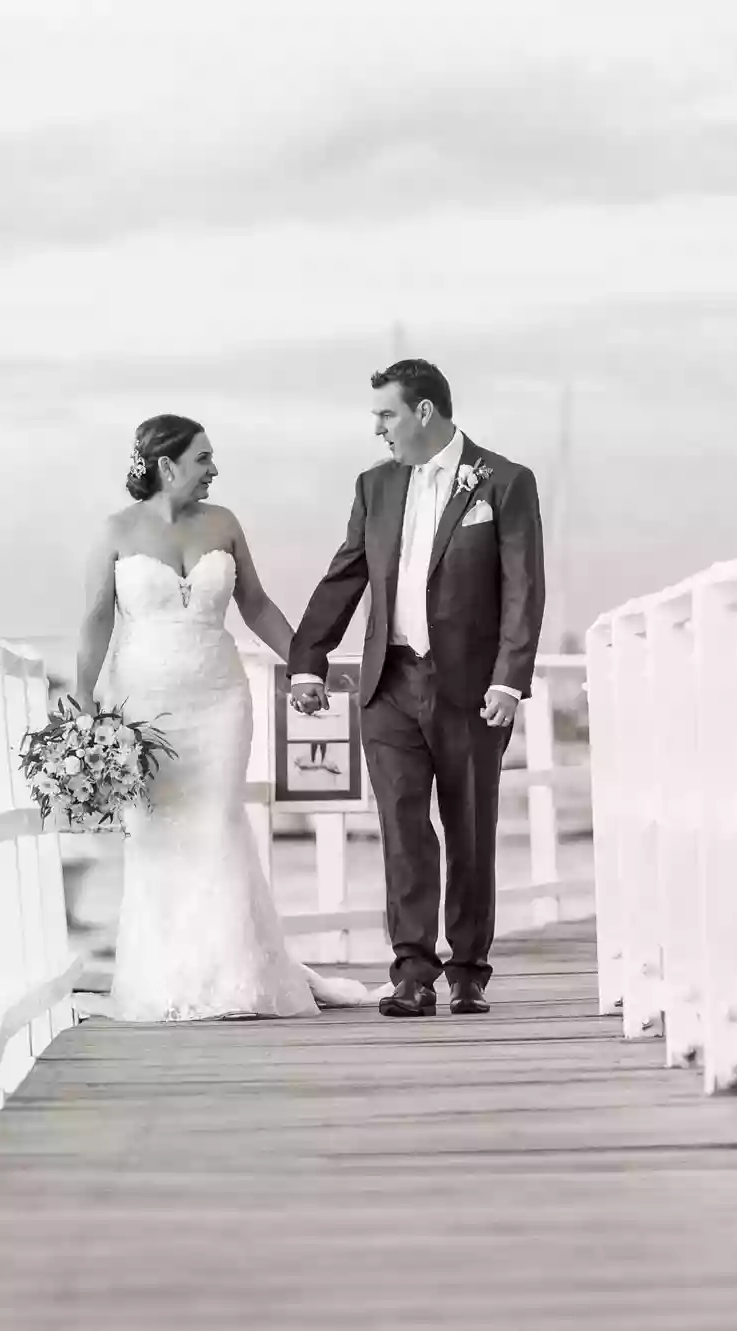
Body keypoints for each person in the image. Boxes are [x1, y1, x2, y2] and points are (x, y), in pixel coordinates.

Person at [71, 414, 373, 1021]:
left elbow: (255, 604)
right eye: (204, 458)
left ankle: (235, 975)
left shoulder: (224, 524)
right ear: (168, 465)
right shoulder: (115, 532)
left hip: (219, 700)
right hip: (144, 709)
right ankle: (170, 978)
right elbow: (97, 620)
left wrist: (304, 665)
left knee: (217, 823)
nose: (214, 469)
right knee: (156, 835)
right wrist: (85, 704)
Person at [290, 359, 545, 1017]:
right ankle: (411, 972)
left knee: (469, 829)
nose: (378, 429)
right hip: (389, 684)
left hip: (471, 689)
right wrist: (309, 660)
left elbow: (523, 589)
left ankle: (467, 972)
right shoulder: (374, 486)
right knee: (403, 829)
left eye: (387, 415)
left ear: (424, 412)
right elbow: (345, 575)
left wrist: (509, 681)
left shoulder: (506, 482)